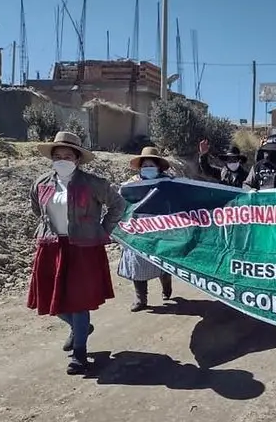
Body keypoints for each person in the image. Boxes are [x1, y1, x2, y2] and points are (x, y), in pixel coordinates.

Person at [27, 131, 126, 375]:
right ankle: (80, 328)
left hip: (83, 249)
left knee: (79, 302)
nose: (62, 159)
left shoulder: (93, 184)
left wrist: (102, 230)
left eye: (68, 156)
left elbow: (118, 205)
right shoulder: (41, 184)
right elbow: (36, 209)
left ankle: (80, 354)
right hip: (51, 247)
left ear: (78, 159)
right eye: (57, 156)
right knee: (52, 300)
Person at [118, 146, 177, 312]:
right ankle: (140, 299)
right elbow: (121, 202)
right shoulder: (131, 185)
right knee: (137, 263)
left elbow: (177, 201)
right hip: (138, 229)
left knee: (163, 262)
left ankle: (167, 286)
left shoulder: (168, 183)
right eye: (145, 165)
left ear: (158, 167)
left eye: (151, 165)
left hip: (162, 228)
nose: (148, 168)